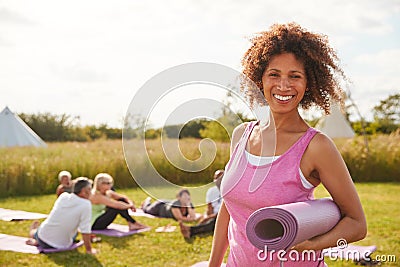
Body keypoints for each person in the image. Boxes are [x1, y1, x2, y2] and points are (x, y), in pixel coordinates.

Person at [209, 23, 367, 266]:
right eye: (274, 74)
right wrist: (214, 264)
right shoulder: (241, 135)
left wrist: (315, 244)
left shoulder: (316, 146)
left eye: (295, 76)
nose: (283, 86)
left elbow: (357, 224)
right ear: (260, 79)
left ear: (309, 83)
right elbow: (229, 209)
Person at [26, 177, 96, 254]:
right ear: (83, 192)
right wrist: (89, 250)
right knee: (74, 232)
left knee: (40, 231)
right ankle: (34, 233)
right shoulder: (86, 204)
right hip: (61, 245)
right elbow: (85, 229)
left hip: (43, 238)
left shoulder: (63, 196)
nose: (91, 192)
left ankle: (35, 237)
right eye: (90, 189)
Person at [179, 170, 224, 238]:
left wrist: (210, 217)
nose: (219, 180)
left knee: (216, 222)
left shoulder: (230, 190)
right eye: (217, 178)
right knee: (211, 222)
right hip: (214, 216)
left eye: (221, 177)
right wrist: (207, 216)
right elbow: (210, 208)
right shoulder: (211, 191)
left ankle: (190, 230)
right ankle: (190, 230)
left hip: (223, 216)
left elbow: (228, 211)